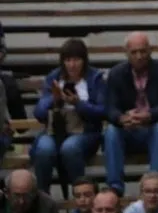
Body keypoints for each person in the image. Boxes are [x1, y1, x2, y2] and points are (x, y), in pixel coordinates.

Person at [103, 32, 158, 195]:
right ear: (126, 53)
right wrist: (122, 118)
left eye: (143, 51)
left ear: (150, 50)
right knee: (111, 131)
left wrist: (149, 115)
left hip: (153, 128)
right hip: (128, 130)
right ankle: (114, 188)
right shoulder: (116, 73)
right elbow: (110, 107)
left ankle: (157, 185)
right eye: (134, 52)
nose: (139, 56)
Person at [31, 38, 106, 194]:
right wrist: (53, 100)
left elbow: (103, 111)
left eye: (76, 60)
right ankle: (42, 196)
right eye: (68, 60)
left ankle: (81, 194)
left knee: (70, 148)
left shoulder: (95, 78)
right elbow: (39, 113)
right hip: (54, 130)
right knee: (44, 149)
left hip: (86, 131)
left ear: (84, 60)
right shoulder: (54, 77)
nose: (72, 65)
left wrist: (79, 104)